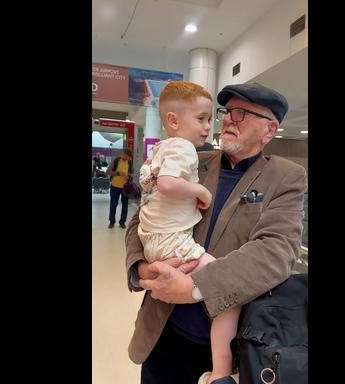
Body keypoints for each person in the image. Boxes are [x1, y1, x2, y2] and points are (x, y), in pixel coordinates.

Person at [125, 82, 307, 384]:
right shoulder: (194, 159)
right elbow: (141, 218)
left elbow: (276, 252)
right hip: (163, 333)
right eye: (227, 111)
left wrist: (194, 288)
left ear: (269, 130)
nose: (227, 120)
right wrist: (141, 267)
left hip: (226, 347)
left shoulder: (285, 177)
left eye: (242, 113)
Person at [137, 81, 240, 384]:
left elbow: (152, 188)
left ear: (270, 128)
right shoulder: (186, 150)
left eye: (210, 118)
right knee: (227, 291)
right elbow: (168, 185)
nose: (210, 126)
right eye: (202, 119)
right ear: (173, 120)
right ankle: (221, 372)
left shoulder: (161, 149)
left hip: (155, 239)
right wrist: (201, 192)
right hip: (172, 250)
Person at [106, 148, 133, 229]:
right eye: (126, 156)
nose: (127, 158)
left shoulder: (130, 163)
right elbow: (108, 171)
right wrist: (118, 173)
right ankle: (112, 221)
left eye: (128, 157)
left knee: (125, 205)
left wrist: (129, 176)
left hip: (125, 187)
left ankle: (122, 222)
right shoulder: (116, 160)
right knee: (113, 204)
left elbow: (132, 173)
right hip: (115, 186)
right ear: (123, 154)